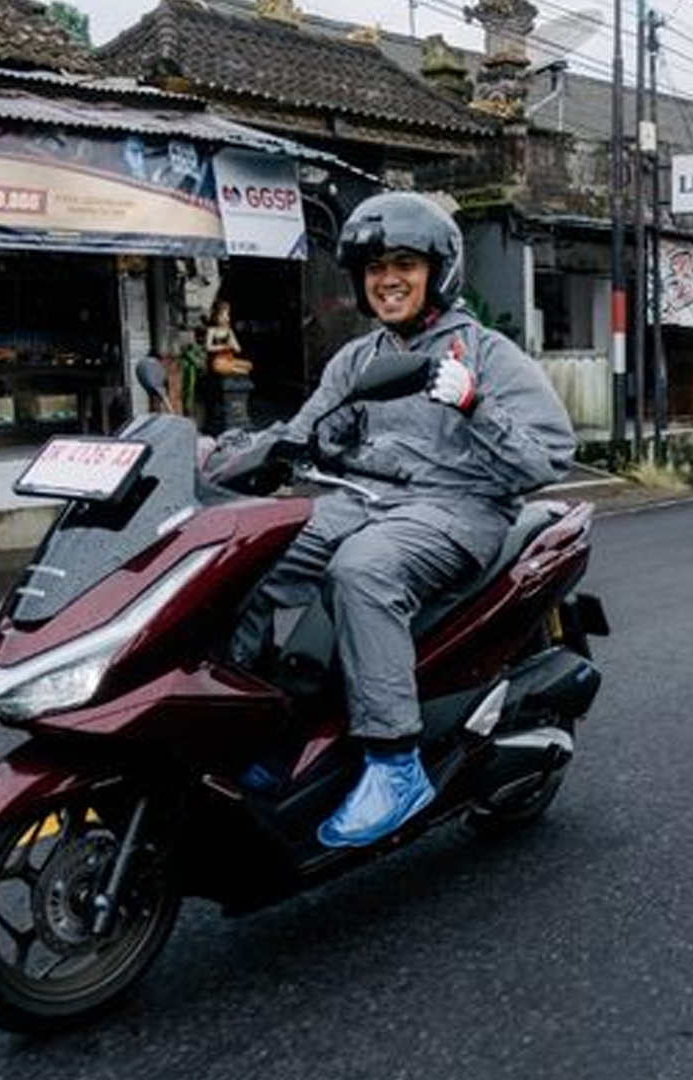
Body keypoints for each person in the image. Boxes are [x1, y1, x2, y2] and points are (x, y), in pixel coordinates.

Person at [208, 192, 576, 848]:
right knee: (242, 559)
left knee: (362, 570)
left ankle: (394, 762)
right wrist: (223, 455)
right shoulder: (357, 359)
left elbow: (550, 455)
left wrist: (474, 405)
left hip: (458, 510)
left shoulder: (487, 355)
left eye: (404, 263)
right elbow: (304, 432)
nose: (388, 280)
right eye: (375, 268)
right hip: (360, 502)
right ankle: (255, 732)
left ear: (439, 270)